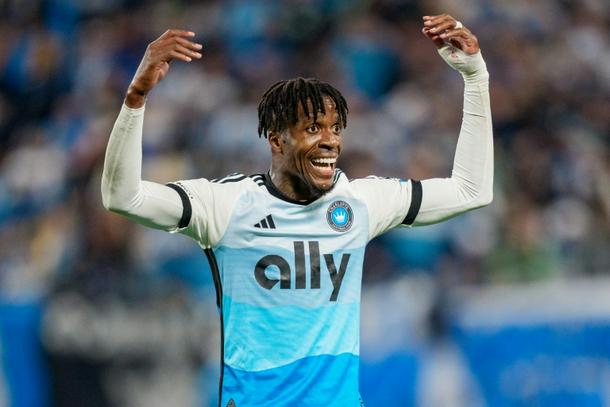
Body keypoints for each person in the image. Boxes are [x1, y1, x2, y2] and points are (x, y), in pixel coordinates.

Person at [101, 13, 492, 407]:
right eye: (313, 129)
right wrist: (135, 99)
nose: (330, 141)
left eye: (336, 128)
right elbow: (123, 197)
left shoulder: (359, 203)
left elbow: (470, 191)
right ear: (277, 140)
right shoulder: (227, 205)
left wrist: (475, 77)